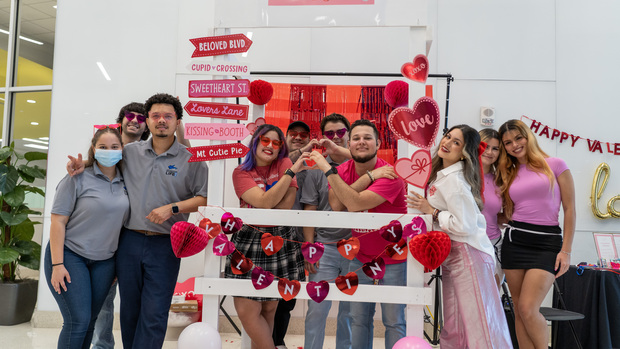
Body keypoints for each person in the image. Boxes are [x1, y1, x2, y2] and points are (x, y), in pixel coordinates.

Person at [68, 93, 209, 348]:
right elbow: (104, 163)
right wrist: (83, 165)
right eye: (155, 116)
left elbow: (203, 198)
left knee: (154, 313)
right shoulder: (130, 152)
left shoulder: (193, 159)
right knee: (130, 311)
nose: (161, 121)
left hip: (166, 244)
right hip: (129, 242)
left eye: (168, 116)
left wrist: (172, 208)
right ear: (148, 121)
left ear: (178, 121)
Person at [407, 124, 513, 348]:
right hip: (455, 256)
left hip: (469, 254)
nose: (447, 143)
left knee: (481, 326)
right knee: (455, 325)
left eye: (456, 142)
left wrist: (432, 211)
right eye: (447, 137)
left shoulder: (455, 180)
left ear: (465, 152)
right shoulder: (443, 176)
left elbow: (464, 225)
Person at [308, 119, 406, 349]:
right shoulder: (343, 170)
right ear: (349, 144)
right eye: (357, 138)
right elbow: (336, 204)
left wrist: (326, 168)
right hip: (360, 257)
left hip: (392, 257)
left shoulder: (390, 174)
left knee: (393, 321)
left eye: (367, 138)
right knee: (359, 319)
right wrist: (369, 177)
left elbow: (352, 203)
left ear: (378, 143)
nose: (362, 142)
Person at [45, 126, 129, 349]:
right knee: (77, 321)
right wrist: (57, 264)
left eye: (114, 147)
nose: (109, 151)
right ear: (93, 149)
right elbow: (57, 221)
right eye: (103, 147)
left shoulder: (127, 182)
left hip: (105, 261)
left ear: (122, 149)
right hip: (71, 255)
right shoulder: (77, 177)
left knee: (90, 321)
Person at [496, 119, 575, 349]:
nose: (514, 145)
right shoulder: (508, 172)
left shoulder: (556, 164)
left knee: (529, 309)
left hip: (546, 244)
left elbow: (570, 209)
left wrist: (566, 251)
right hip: (514, 242)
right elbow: (506, 213)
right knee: (519, 311)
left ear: (528, 136)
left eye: (518, 138)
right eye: (508, 142)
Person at [227, 124, 307, 349]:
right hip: (249, 240)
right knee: (246, 308)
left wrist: (282, 179)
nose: (270, 146)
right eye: (265, 140)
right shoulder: (241, 172)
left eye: (276, 142)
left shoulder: (284, 163)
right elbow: (263, 203)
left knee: (269, 307)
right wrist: (288, 177)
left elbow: (285, 206)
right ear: (255, 142)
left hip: (280, 238)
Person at [91, 102, 149, 349]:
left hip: (133, 239)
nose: (134, 120)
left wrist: (181, 124)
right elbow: (89, 165)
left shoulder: (145, 153)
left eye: (140, 117)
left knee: (134, 301)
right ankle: (102, 346)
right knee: (103, 300)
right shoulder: (108, 148)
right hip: (102, 240)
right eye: (130, 115)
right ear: (121, 119)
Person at [302, 113, 354, 349]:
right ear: (323, 138)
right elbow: (310, 211)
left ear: (349, 135)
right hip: (325, 247)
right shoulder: (315, 171)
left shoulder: (362, 167)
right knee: (317, 308)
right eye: (330, 133)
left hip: (356, 248)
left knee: (351, 311)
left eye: (341, 132)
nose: (336, 137)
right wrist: (311, 249)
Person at [479, 128, 505, 288]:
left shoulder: (501, 181)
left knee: (491, 301)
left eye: (495, 148)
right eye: (485, 146)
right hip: (469, 245)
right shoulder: (461, 176)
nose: (489, 152)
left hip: (494, 244)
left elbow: (501, 217)